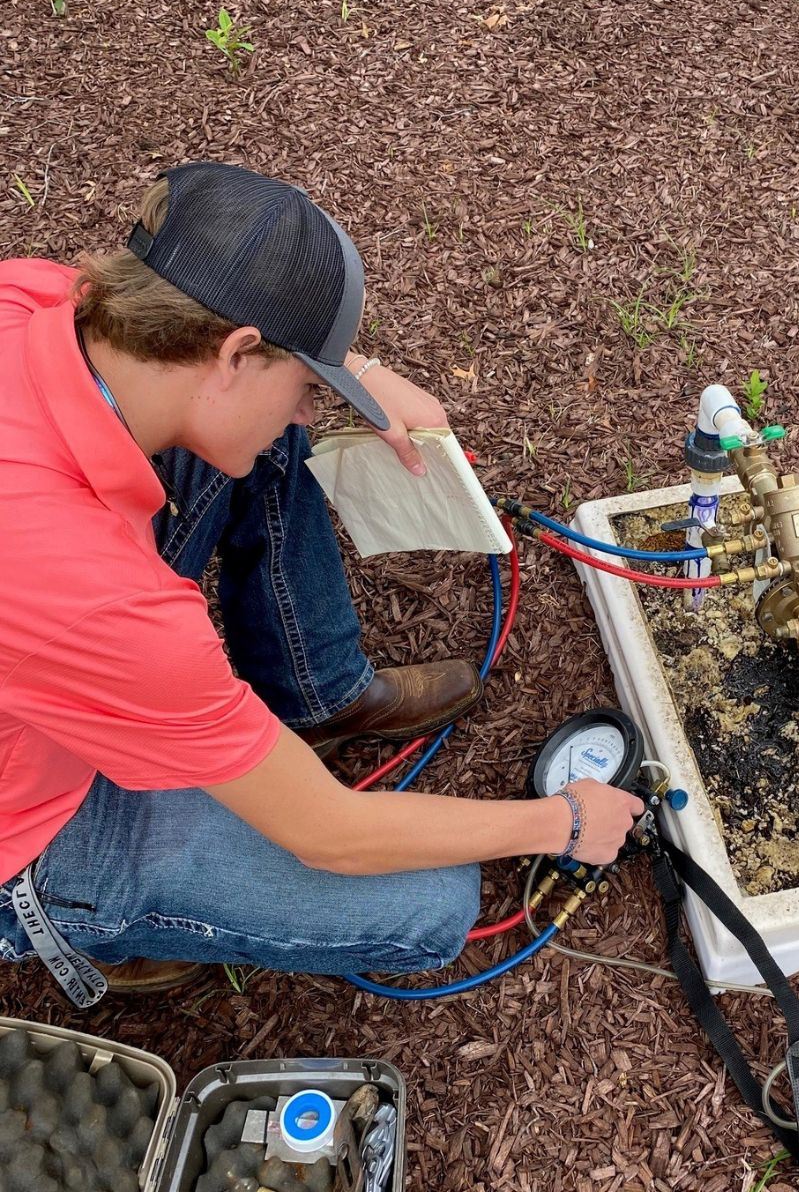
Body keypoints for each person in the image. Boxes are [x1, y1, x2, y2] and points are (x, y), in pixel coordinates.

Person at [0, 162, 643, 999]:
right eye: (308, 387)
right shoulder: (107, 607)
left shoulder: (38, 301)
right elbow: (332, 834)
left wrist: (359, 374)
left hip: (45, 642)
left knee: (257, 442)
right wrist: (565, 821)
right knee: (428, 906)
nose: (312, 409)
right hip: (30, 821)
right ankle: (89, 920)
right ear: (235, 351)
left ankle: (319, 692)